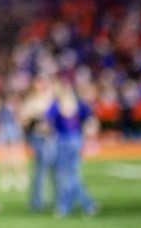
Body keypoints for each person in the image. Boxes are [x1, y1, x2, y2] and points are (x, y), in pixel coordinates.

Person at [47, 78, 98, 217]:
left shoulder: (56, 105)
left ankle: (77, 205)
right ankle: (70, 206)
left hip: (63, 141)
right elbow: (91, 119)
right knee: (71, 175)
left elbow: (48, 123)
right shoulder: (78, 104)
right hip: (76, 139)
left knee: (66, 176)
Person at [21, 73, 56, 211]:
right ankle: (36, 201)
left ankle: (58, 198)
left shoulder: (51, 98)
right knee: (40, 171)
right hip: (39, 137)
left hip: (52, 137)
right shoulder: (31, 100)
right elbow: (23, 119)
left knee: (55, 170)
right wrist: (36, 118)